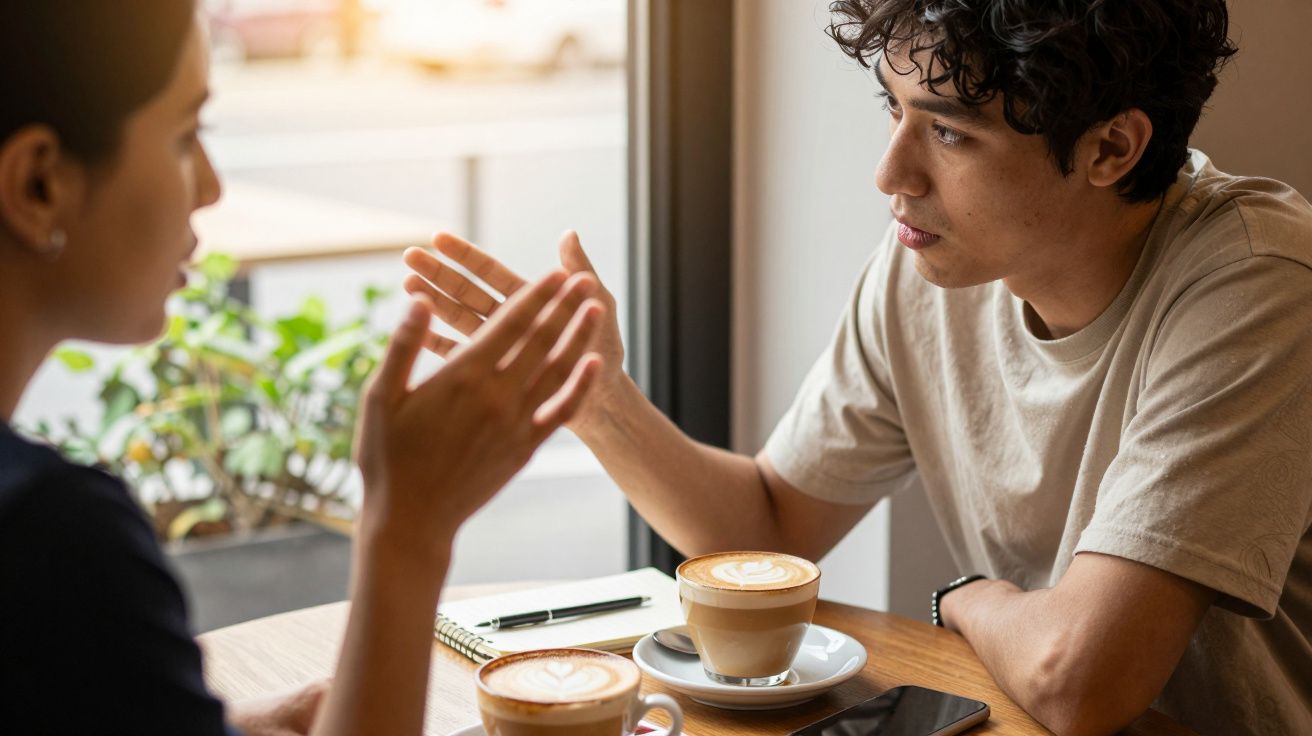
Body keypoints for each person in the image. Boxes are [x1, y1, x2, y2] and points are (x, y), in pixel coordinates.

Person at [403, 1, 1312, 735]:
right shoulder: (932, 266)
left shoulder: (1257, 282)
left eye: (949, 133)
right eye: (893, 108)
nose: (891, 173)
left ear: (1111, 149)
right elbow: (767, 527)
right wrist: (600, 402)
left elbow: (1079, 681)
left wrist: (969, 599)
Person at [0, 2, 605, 734]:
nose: (212, 187)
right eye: (187, 136)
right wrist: (407, 528)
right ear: (38, 185)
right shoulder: (50, 540)